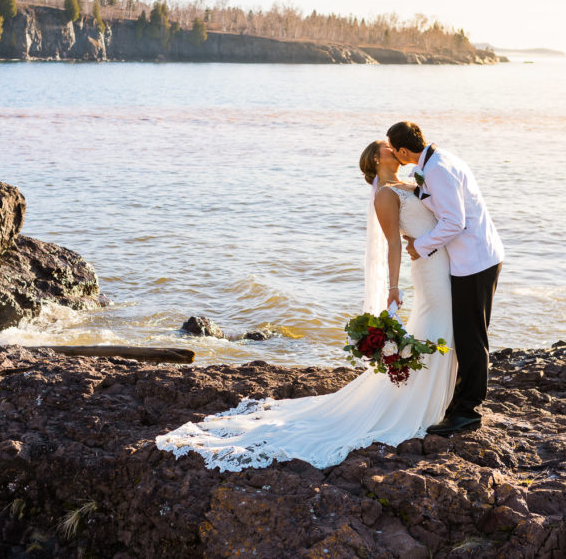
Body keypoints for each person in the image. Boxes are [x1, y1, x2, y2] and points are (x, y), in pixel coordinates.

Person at [155, 139, 458, 471]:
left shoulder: (413, 184)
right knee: (437, 324)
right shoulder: (386, 194)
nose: (396, 150)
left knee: (444, 326)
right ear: (375, 158)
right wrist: (395, 286)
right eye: (389, 147)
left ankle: (435, 400)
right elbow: (392, 245)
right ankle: (421, 406)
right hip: (428, 270)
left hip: (444, 261)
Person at [386, 121, 503, 435]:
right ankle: (460, 403)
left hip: (476, 259)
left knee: (472, 338)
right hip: (472, 258)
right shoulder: (435, 163)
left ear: (401, 150)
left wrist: (419, 246)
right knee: (466, 335)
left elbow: (454, 222)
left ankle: (468, 413)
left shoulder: (437, 169)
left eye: (393, 151)